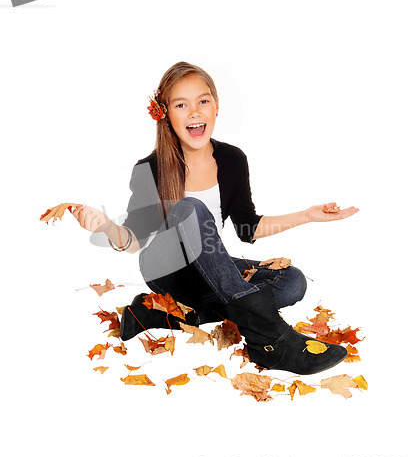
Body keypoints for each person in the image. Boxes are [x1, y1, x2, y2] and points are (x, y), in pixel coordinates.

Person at [72, 61, 359, 374]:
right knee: (190, 208)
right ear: (165, 113)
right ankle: (271, 340)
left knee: (292, 282)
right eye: (182, 104)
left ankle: (157, 313)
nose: (195, 111)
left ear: (216, 107)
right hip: (166, 268)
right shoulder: (150, 169)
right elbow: (133, 242)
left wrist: (307, 215)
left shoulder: (232, 160)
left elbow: (248, 228)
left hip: (211, 265)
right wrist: (106, 226)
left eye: (203, 101)